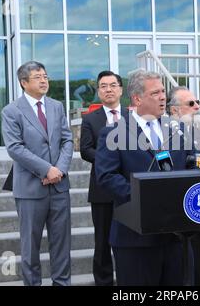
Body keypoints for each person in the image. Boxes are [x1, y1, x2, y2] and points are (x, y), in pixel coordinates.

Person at [94, 70, 194, 285]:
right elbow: (107, 177)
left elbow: (190, 165)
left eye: (163, 92)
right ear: (138, 98)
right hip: (135, 240)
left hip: (175, 237)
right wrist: (145, 197)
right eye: (155, 92)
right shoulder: (113, 133)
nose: (162, 97)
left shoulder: (178, 129)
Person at [1, 61, 74, 286]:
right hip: (30, 189)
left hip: (59, 186)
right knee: (30, 247)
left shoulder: (56, 106)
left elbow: (67, 139)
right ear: (24, 83)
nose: (44, 81)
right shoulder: (11, 111)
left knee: (62, 244)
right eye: (37, 77)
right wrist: (46, 169)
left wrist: (59, 170)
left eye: (45, 76)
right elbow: (15, 148)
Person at [80, 70, 128, 286]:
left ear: (120, 89)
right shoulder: (91, 118)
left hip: (128, 188)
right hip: (101, 190)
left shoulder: (132, 115)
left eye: (112, 85)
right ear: (98, 91)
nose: (108, 89)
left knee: (129, 239)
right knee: (102, 242)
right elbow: (85, 150)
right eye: (103, 86)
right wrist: (109, 160)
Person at [167, 86, 200, 286]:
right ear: (174, 110)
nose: (197, 107)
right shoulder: (163, 135)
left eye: (197, 102)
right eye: (191, 104)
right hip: (174, 216)